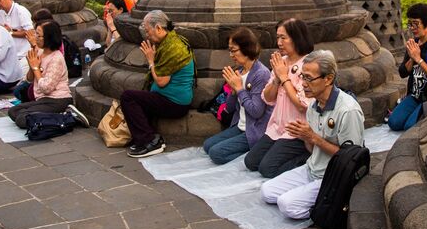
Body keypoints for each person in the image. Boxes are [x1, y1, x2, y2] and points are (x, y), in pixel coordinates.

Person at [261, 50, 365, 219]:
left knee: (287, 205)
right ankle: (314, 197)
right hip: (312, 168)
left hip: (334, 176)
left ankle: (328, 206)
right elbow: (311, 149)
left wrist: (312, 137)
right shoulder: (313, 106)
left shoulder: (348, 110)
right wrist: (305, 137)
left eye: (308, 78)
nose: (302, 83)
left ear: (328, 79)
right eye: (302, 76)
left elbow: (351, 159)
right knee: (267, 191)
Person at [120, 10, 194, 158]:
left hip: (175, 103)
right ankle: (144, 138)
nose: (147, 35)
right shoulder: (168, 42)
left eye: (148, 31)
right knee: (138, 99)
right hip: (167, 97)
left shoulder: (174, 48)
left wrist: (150, 61)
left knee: (127, 97)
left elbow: (161, 81)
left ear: (159, 28)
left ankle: (150, 141)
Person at [245, 18, 313, 178]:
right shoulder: (281, 62)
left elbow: (303, 104)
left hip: (296, 130)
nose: (279, 42)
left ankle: (309, 158)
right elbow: (267, 98)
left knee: (267, 169)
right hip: (277, 126)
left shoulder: (309, 64)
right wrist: (276, 78)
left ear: (297, 38)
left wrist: (284, 77)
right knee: (251, 162)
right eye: (278, 37)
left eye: (284, 37)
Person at [203, 27, 272, 164]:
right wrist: (234, 91)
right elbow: (229, 108)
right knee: (207, 145)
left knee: (216, 154)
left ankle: (255, 154)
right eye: (230, 50)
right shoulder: (239, 71)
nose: (231, 55)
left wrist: (240, 89)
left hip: (254, 130)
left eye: (233, 50)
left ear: (247, 49)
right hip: (240, 126)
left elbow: (257, 112)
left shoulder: (261, 74)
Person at [388, 3, 427, 131]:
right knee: (394, 123)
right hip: (415, 95)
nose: (412, 28)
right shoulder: (413, 43)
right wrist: (412, 58)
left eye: (416, 23)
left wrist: (418, 59)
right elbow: (403, 72)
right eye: (410, 23)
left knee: (411, 127)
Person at [7, 21, 74, 128]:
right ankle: (52, 116)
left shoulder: (56, 58)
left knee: (22, 118)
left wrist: (36, 68)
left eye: (38, 35)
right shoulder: (40, 52)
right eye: (35, 34)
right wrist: (31, 66)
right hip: (43, 99)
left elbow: (46, 88)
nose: (35, 37)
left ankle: (67, 118)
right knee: (13, 111)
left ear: (49, 37)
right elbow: (29, 79)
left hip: (58, 100)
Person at [0, 0, 34, 76]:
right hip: (10, 56)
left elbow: (30, 32)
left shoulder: (21, 11)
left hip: (24, 55)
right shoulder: (0, 14)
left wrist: (11, 32)